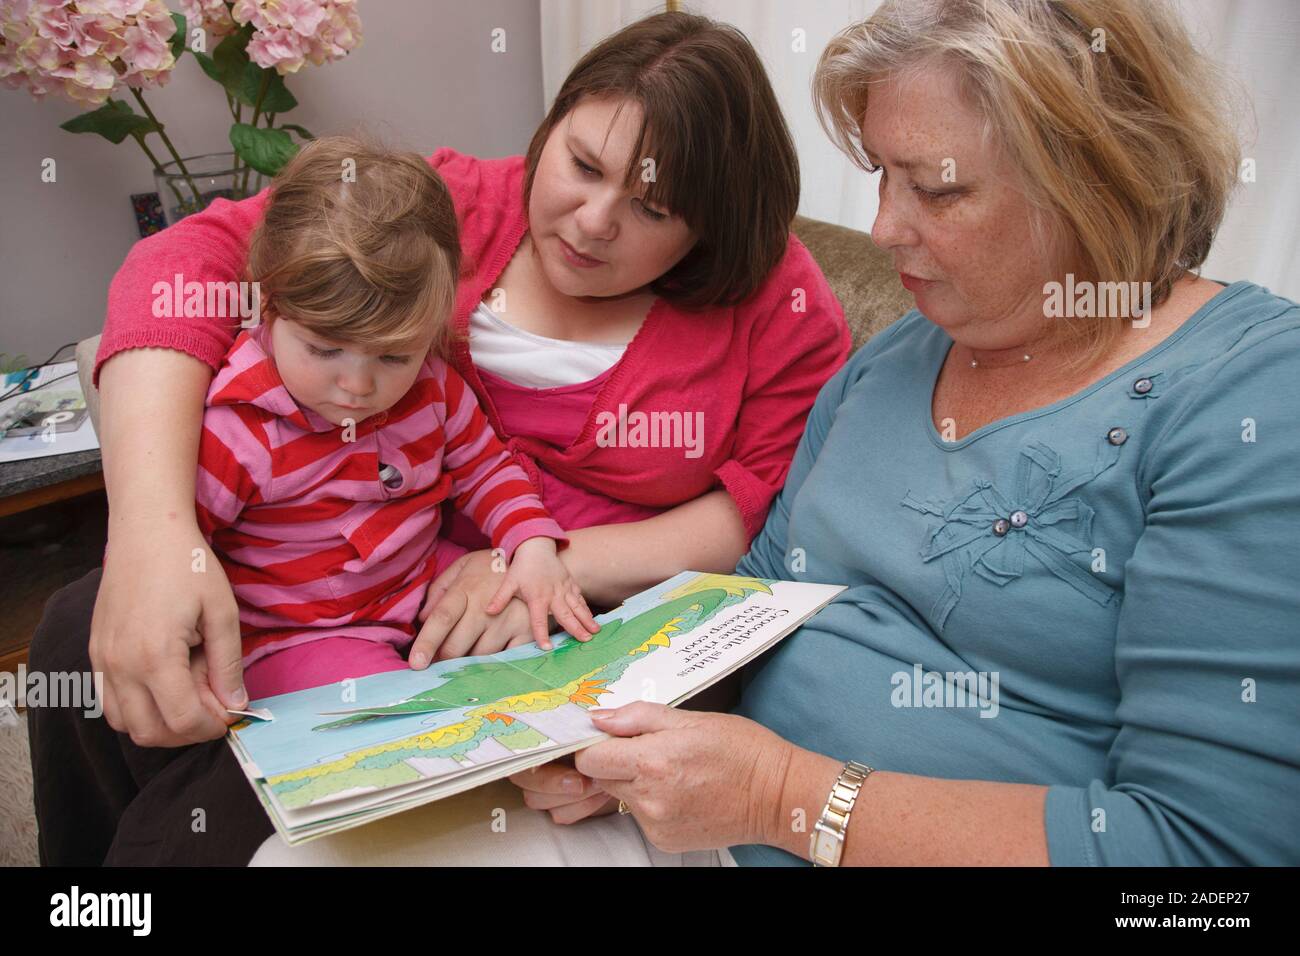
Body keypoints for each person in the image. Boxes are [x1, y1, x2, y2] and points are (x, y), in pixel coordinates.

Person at [258, 0, 1300, 865]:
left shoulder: (1250, 395)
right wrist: (575, 720)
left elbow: (1210, 864)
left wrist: (782, 795)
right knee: (308, 847)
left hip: (765, 824)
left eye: (932, 187)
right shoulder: (895, 360)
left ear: (1095, 175)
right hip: (692, 821)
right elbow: (743, 605)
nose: (884, 227)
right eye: (881, 175)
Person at [27, 10, 850, 864]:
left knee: (210, 819)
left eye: (650, 207)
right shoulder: (440, 207)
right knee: (74, 634)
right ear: (553, 120)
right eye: (580, 164)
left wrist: (550, 563)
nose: (593, 221)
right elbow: (182, 265)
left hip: (536, 619)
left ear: (709, 224)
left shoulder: (777, 305)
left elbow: (756, 509)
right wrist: (153, 537)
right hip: (332, 568)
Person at [195, 136, 599, 704]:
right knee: (391, 718)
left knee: (545, 634)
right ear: (269, 307)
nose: (358, 386)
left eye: (392, 356)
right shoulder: (238, 428)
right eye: (324, 350)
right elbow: (173, 547)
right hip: (299, 635)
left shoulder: (432, 385)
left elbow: (486, 469)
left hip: (421, 584)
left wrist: (530, 544)